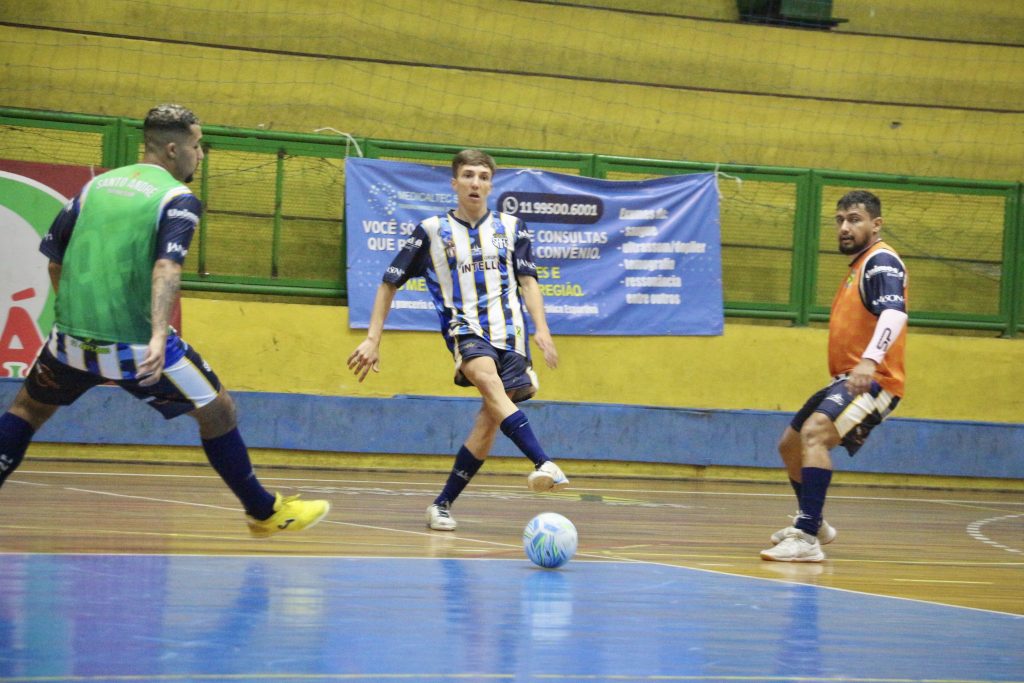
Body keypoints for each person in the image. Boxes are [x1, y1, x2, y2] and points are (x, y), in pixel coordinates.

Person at [0, 104, 329, 537]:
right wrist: (157, 334)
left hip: (70, 341)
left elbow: (55, 260)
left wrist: (77, 318)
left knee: (27, 408)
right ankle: (264, 512)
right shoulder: (177, 200)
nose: (201, 156)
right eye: (196, 146)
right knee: (219, 412)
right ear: (173, 149)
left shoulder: (94, 187)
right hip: (136, 346)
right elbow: (167, 268)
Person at [347, 149, 568, 531]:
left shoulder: (513, 227)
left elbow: (529, 282)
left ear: (491, 184)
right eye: (468, 175)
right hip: (465, 330)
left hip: (510, 334)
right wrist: (372, 339)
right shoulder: (432, 231)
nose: (475, 182)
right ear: (454, 183)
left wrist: (542, 329)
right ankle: (542, 461)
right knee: (486, 378)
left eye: (483, 176)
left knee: (488, 419)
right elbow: (389, 283)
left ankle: (442, 504)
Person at [761, 190, 908, 562]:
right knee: (790, 446)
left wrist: (870, 361)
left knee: (815, 435)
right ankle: (815, 523)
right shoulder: (858, 267)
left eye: (855, 219)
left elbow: (894, 315)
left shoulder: (881, 263)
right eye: (840, 220)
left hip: (875, 380)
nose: (845, 227)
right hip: (847, 378)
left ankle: (807, 538)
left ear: (876, 224)